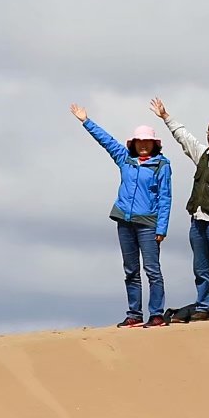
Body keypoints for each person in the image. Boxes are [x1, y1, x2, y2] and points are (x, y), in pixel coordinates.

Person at [70, 103, 173, 327]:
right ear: (134, 144)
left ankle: (156, 314)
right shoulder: (124, 159)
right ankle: (134, 314)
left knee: (152, 270)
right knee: (130, 270)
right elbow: (106, 141)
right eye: (139, 141)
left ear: (154, 144)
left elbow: (165, 198)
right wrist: (86, 121)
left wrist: (161, 228)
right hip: (124, 221)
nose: (143, 145)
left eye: (147, 141)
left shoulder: (162, 165)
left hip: (148, 224)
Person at [152, 98, 209, 321]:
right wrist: (166, 117)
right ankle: (203, 306)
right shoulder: (203, 155)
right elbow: (184, 137)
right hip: (198, 220)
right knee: (200, 267)